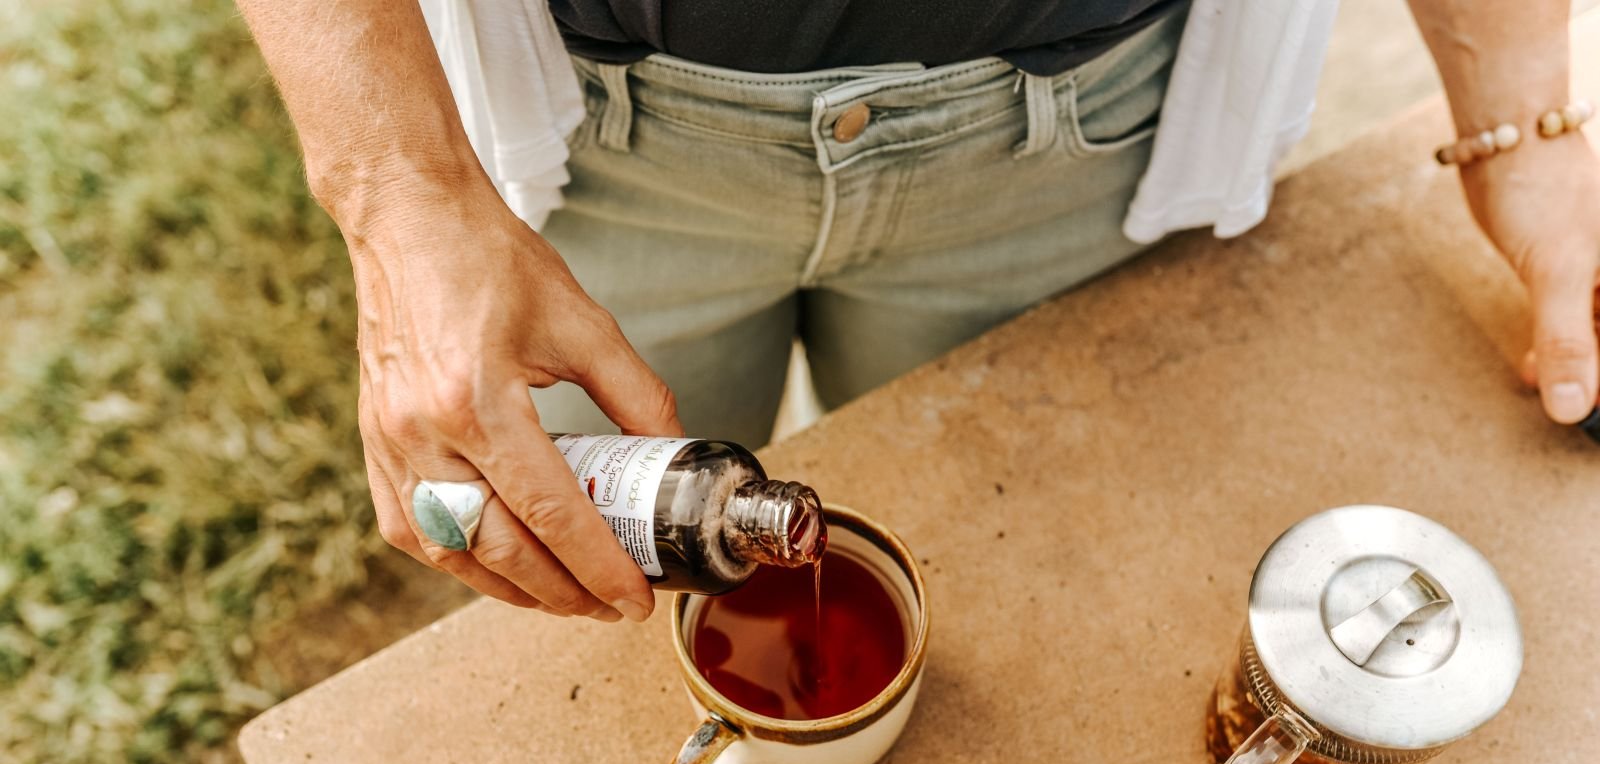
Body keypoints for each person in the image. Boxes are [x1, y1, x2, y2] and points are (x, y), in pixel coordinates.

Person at [235, 0, 1600, 623]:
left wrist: (1520, 114)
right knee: (577, 580)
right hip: (588, 159)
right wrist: (400, 197)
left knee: (1005, 579)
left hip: (1083, 150)